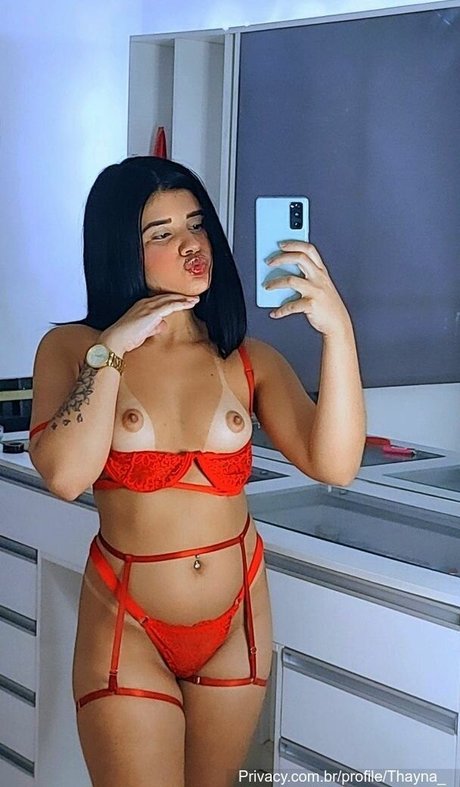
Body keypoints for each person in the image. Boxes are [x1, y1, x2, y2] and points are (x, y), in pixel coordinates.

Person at [28, 156, 366, 787]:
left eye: (196, 224)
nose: (190, 244)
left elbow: (336, 463)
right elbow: (65, 476)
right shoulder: (74, 348)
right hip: (128, 621)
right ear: (121, 251)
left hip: (237, 619)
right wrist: (112, 348)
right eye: (162, 233)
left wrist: (338, 332)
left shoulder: (245, 356)